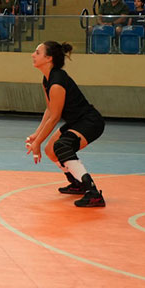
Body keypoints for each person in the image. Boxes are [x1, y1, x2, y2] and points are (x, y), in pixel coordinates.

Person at [25, 41, 106, 207]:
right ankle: (77, 183)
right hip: (76, 122)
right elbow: (49, 110)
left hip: (90, 122)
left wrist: (38, 142)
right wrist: (36, 134)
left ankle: (93, 193)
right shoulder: (46, 80)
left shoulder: (57, 82)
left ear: (48, 58)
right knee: (51, 150)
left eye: (37, 52)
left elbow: (55, 117)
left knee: (62, 146)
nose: (33, 55)